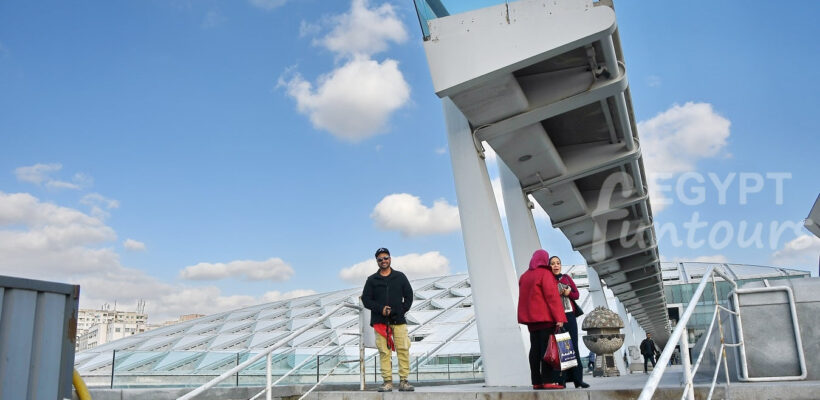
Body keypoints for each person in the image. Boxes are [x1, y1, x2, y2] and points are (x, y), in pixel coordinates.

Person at [362, 248, 415, 392]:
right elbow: (366, 300)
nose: (383, 261)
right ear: (377, 261)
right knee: (384, 352)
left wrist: (400, 311)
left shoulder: (400, 277)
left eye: (385, 258)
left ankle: (404, 381)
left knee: (403, 349)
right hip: (380, 321)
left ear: (390, 259)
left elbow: (409, 296)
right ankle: (387, 382)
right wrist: (381, 309)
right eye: (380, 259)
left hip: (399, 321)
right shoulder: (372, 280)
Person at [517, 249, 568, 390]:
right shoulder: (545, 274)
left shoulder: (524, 276)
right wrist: (559, 317)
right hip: (545, 318)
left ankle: (536, 381)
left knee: (535, 349)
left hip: (531, 320)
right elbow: (552, 297)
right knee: (547, 350)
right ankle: (548, 380)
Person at [550, 256, 590, 389]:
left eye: (558, 263)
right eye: (553, 263)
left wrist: (568, 292)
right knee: (561, 348)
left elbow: (576, 295)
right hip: (557, 318)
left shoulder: (566, 278)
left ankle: (578, 380)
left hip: (570, 316)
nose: (556, 265)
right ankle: (561, 380)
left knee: (574, 347)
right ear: (549, 266)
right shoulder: (548, 280)